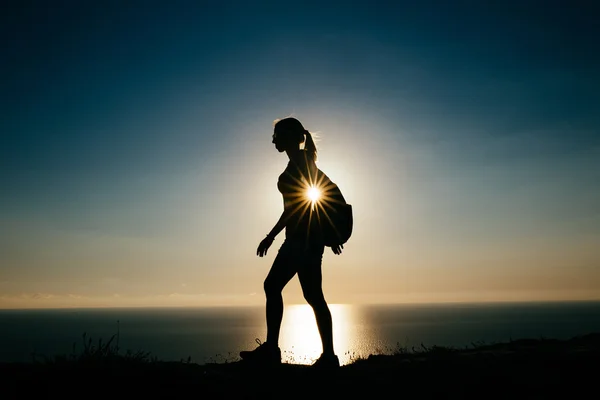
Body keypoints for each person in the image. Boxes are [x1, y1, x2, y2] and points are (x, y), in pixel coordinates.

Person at [239, 117, 343, 368]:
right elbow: (318, 199)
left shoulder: (298, 167)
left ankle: (274, 351)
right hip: (308, 241)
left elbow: (300, 206)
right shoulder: (306, 164)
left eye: (277, 134)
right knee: (312, 295)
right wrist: (329, 236)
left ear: (288, 137)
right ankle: (328, 356)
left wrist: (271, 236)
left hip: (301, 241)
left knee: (274, 286)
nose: (274, 139)